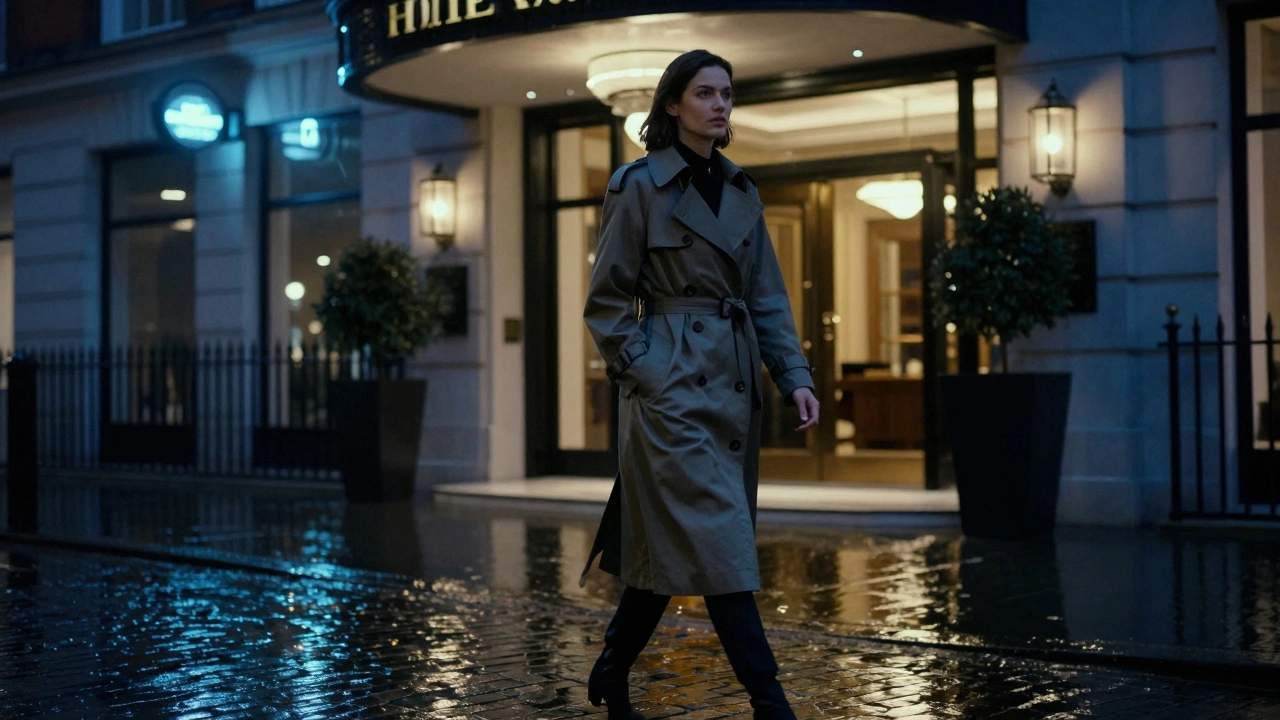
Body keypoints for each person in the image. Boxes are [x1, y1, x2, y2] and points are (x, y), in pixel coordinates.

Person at [579, 49, 820, 720]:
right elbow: (606, 303)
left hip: (732, 389)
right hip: (671, 392)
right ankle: (771, 703)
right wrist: (648, 373)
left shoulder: (742, 190)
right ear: (672, 105)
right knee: (719, 545)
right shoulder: (639, 186)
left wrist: (793, 375)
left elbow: (767, 296)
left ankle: (613, 662)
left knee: (681, 547)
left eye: (727, 94)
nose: (720, 104)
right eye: (705, 93)